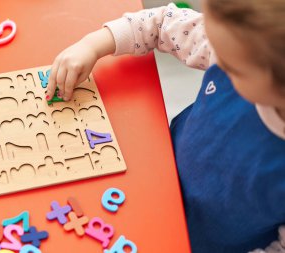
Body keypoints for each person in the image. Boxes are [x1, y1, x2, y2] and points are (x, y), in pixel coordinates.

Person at [46, 0, 285, 252]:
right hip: (149, 180)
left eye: (232, 67)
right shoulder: (235, 43)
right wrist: (93, 44)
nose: (216, 61)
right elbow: (162, 24)